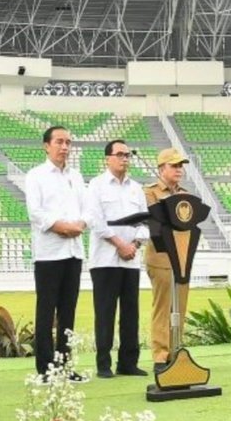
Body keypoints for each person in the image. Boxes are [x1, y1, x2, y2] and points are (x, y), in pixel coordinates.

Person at [24, 126, 88, 381]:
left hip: (74, 252)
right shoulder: (36, 175)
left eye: (68, 143)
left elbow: (87, 209)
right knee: (46, 311)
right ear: (46, 145)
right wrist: (62, 227)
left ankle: (65, 365)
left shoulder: (76, 176)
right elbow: (36, 212)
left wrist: (79, 226)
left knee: (68, 312)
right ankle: (45, 369)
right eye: (60, 142)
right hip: (49, 253)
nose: (65, 147)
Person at [83, 140, 150, 378]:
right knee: (105, 312)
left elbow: (144, 222)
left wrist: (134, 245)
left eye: (128, 155)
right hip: (105, 259)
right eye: (120, 154)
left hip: (131, 259)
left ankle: (128, 362)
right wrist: (120, 244)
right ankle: (103, 364)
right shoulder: (96, 185)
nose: (125, 159)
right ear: (107, 158)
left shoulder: (136, 188)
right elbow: (95, 220)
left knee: (131, 312)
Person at [144, 148, 198, 365]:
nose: (179, 170)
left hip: (182, 259)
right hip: (161, 258)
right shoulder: (150, 192)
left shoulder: (185, 195)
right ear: (161, 168)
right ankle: (160, 355)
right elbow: (154, 219)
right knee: (163, 307)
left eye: (181, 165)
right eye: (174, 165)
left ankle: (177, 350)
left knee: (180, 307)